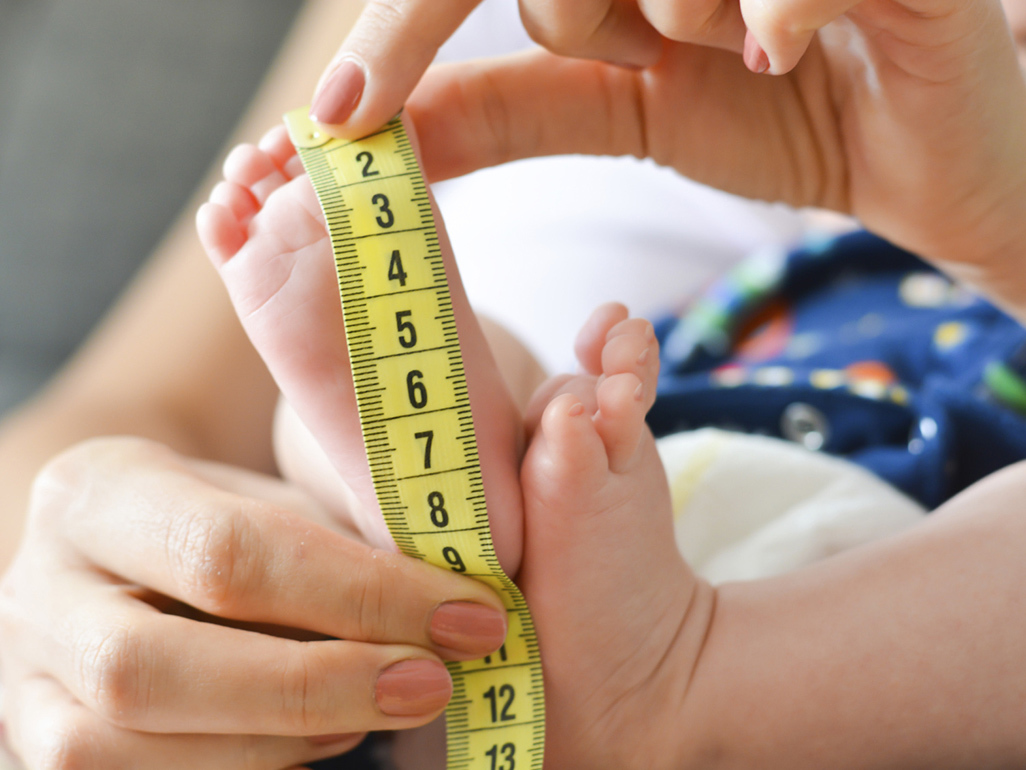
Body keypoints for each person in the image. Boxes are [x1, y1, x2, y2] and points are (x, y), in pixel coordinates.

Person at [5, 0, 1026, 768]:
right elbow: (138, 418)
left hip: (892, 552)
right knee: (546, 413)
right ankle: (434, 460)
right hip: (668, 474)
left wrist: (1002, 223)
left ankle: (689, 680)